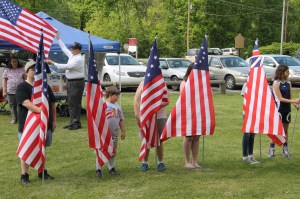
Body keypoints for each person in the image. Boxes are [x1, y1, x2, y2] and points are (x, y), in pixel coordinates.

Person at [16, 60, 57, 184]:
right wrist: (40, 110)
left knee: (42, 147)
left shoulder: (45, 86)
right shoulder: (22, 86)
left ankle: (41, 171)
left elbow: (52, 103)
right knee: (26, 149)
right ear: (27, 72)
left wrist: (53, 120)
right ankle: (25, 175)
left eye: (37, 69)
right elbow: (25, 102)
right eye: (33, 69)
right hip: (27, 125)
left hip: (44, 124)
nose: (35, 71)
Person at [46, 32, 85, 130]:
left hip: (76, 82)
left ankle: (76, 123)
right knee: (71, 102)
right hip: (72, 82)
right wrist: (58, 38)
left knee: (75, 103)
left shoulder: (79, 59)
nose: (71, 50)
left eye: (73, 48)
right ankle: (72, 122)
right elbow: (64, 49)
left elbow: (67, 66)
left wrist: (53, 63)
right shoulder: (73, 55)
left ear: (77, 50)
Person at [134, 81, 169, 172]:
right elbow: (136, 100)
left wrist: (154, 106)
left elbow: (167, 101)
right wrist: (137, 115)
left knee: (159, 140)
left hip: (160, 116)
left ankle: (160, 162)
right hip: (146, 116)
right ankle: (145, 163)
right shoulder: (142, 83)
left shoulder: (162, 82)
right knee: (146, 139)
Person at [268, 64, 300, 158]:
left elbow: (290, 96)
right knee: (276, 130)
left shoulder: (288, 83)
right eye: (287, 71)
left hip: (287, 110)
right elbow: (280, 98)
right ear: (281, 73)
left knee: (285, 130)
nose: (288, 73)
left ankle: (285, 149)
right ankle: (271, 149)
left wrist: (295, 104)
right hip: (278, 110)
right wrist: (294, 101)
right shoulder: (276, 83)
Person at [95, 86, 126, 177]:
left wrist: (123, 131)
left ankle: (111, 167)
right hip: (103, 133)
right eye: (116, 95)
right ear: (111, 95)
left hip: (114, 133)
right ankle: (98, 169)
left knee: (113, 150)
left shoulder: (117, 106)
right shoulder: (102, 104)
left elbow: (121, 120)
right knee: (101, 150)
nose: (118, 97)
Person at [180, 63, 202, 168]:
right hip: (188, 113)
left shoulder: (200, 83)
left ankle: (195, 161)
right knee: (189, 137)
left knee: (197, 137)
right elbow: (184, 99)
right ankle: (187, 161)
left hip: (198, 112)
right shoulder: (184, 82)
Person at [2, 57, 25, 123]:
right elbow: (4, 81)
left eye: (16, 61)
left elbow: (25, 79)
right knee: (12, 105)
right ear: (10, 62)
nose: (15, 63)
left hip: (20, 90)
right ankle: (14, 119)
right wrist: (4, 91)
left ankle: (21, 119)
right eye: (13, 61)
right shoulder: (7, 70)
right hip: (10, 90)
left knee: (21, 104)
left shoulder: (21, 69)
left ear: (18, 62)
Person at [241, 83, 259, 164]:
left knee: (252, 134)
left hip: (256, 112)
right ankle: (245, 156)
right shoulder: (246, 84)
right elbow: (244, 97)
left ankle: (250, 155)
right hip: (248, 112)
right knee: (247, 133)